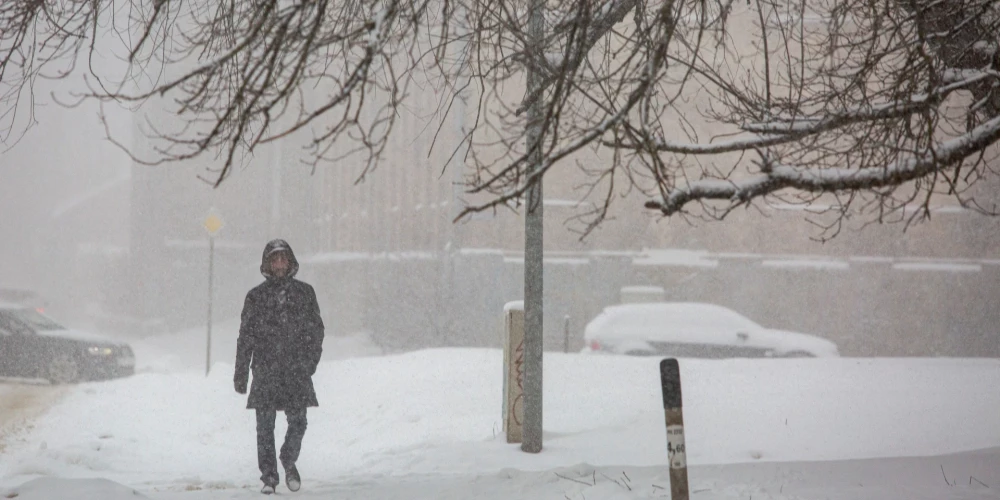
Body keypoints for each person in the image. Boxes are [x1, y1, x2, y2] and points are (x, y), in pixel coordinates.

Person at [235, 239, 325, 495]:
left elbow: (316, 331)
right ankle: (269, 477)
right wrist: (241, 373)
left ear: (290, 262)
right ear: (267, 264)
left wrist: (309, 362)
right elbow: (246, 337)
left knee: (298, 421)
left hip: (296, 370)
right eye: (274, 259)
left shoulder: (305, 293)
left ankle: (288, 458)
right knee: (264, 427)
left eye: (283, 259)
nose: (278, 264)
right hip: (265, 370)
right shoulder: (256, 297)